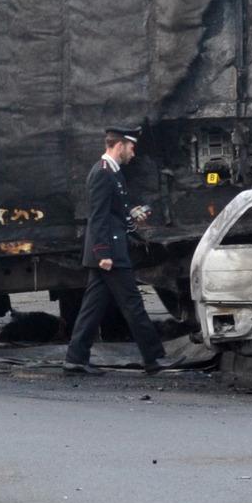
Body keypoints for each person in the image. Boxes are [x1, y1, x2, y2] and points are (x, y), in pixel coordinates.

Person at [63, 126, 172, 376]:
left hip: (110, 248)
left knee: (92, 309)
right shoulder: (103, 174)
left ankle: (75, 358)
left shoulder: (112, 172)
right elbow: (98, 217)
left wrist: (133, 218)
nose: (133, 154)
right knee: (133, 305)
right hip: (110, 252)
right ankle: (154, 359)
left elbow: (114, 213)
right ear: (120, 145)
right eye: (132, 148)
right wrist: (103, 254)